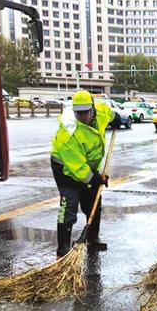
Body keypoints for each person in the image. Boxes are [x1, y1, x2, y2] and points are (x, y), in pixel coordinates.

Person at [50, 90, 113, 258]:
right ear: (74, 110)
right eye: (79, 112)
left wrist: (115, 119)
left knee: (93, 201)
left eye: (86, 111)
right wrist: (96, 179)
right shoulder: (68, 132)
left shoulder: (99, 111)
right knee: (69, 205)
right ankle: (62, 249)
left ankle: (92, 238)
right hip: (66, 170)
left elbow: (109, 113)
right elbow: (77, 167)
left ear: (92, 108)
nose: (83, 115)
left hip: (87, 166)